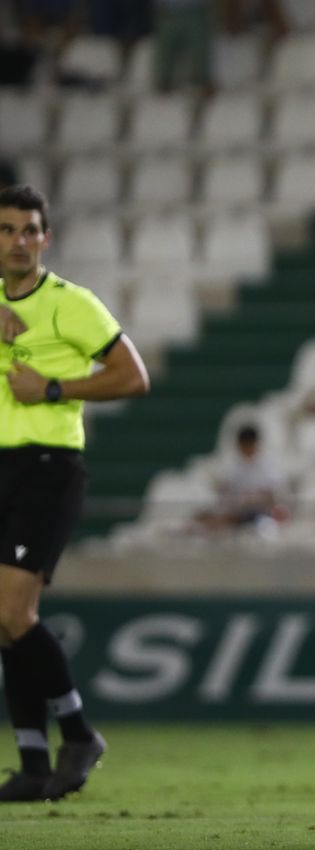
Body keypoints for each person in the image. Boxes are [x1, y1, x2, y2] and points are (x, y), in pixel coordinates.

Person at [0, 184, 151, 801]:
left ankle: (80, 732)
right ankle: (35, 765)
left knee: (14, 614)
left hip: (48, 466)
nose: (19, 241)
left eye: (29, 230)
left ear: (47, 238)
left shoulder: (71, 304)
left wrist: (54, 389)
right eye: (7, 230)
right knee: (5, 622)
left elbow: (133, 376)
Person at [197, 424, 289, 536]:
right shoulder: (233, 467)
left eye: (249, 445)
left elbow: (273, 494)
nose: (247, 449)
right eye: (244, 445)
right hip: (236, 511)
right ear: (239, 445)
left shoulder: (269, 466)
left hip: (260, 512)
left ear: (255, 444)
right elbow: (224, 491)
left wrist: (252, 498)